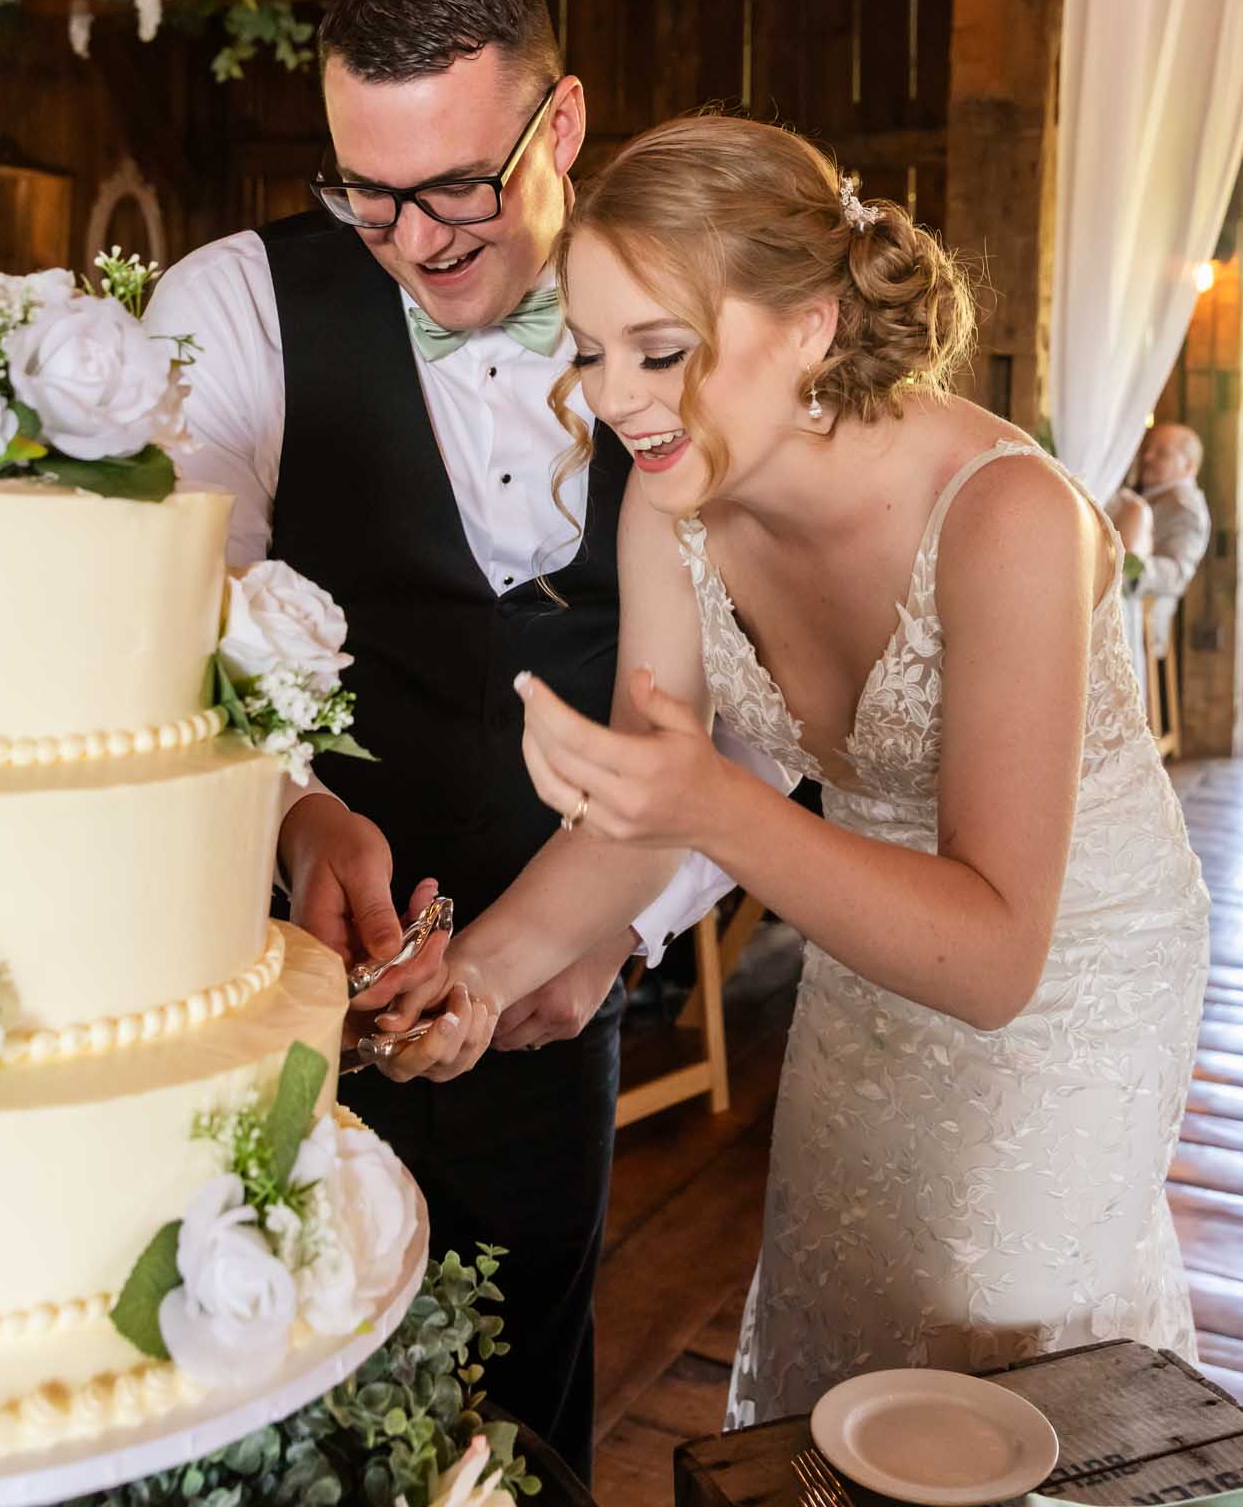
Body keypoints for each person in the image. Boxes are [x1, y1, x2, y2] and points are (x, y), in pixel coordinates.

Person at [377, 114, 1211, 1426]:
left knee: (991, 1337)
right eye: (588, 353)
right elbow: (651, 809)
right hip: (861, 934)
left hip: (1064, 969)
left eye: (663, 351)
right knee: (852, 1299)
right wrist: (475, 980)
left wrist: (715, 800)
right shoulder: (671, 497)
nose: (614, 397)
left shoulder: (1007, 521)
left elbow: (995, 961)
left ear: (814, 326)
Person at [148, 0, 721, 1480]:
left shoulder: (685, 321)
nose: (411, 238)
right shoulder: (241, 305)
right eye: (366, 191)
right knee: (265, 1402)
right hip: (280, 980)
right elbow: (167, 611)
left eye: (459, 185)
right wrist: (293, 813)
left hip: (561, 970)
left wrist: (620, 924)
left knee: (515, 1384)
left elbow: (751, 695)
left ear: (567, 124)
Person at [1115, 422, 1212, 658]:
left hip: (1142, 624)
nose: (1147, 456)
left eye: (1161, 453)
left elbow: (1177, 573)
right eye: (1148, 448)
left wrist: (1125, 570)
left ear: (1188, 466)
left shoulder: (1184, 507)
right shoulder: (1153, 495)